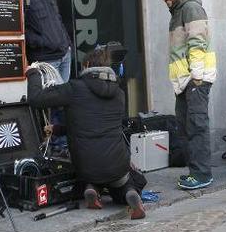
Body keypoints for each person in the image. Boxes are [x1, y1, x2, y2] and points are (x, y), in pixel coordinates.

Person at [26, 44, 145, 219]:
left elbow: (36, 99)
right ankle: (129, 192)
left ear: (87, 66)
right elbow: (97, 125)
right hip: (117, 163)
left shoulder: (74, 88)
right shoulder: (119, 93)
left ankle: (92, 188)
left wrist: (33, 73)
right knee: (131, 181)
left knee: (92, 169)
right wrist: (58, 129)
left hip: (86, 165)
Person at [158, 0, 217, 190]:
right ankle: (195, 172)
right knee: (185, 126)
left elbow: (197, 42)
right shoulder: (178, 11)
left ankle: (202, 175)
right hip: (186, 81)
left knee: (196, 125)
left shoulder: (190, 8)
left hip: (195, 80)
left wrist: (198, 77)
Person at [23, 0, 72, 152]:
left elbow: (57, 19)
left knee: (66, 102)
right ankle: (57, 147)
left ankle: (65, 145)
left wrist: (66, 42)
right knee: (55, 104)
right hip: (45, 59)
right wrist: (43, 42)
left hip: (63, 54)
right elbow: (21, 31)